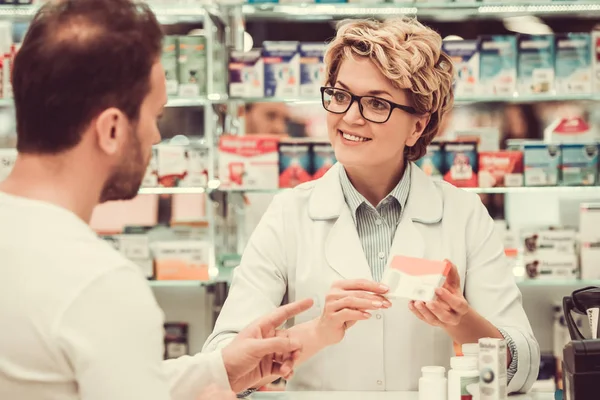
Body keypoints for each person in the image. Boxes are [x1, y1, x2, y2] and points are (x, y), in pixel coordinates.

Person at [204, 17, 540, 393]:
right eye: (340, 95)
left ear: (418, 125)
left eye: (377, 104)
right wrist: (317, 332)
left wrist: (458, 319)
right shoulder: (288, 215)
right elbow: (222, 363)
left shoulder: (464, 214)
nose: (349, 117)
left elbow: (524, 364)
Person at [0, 1, 313, 399]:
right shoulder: (98, 284)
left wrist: (220, 368)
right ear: (112, 129)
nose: (156, 138)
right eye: (154, 116)